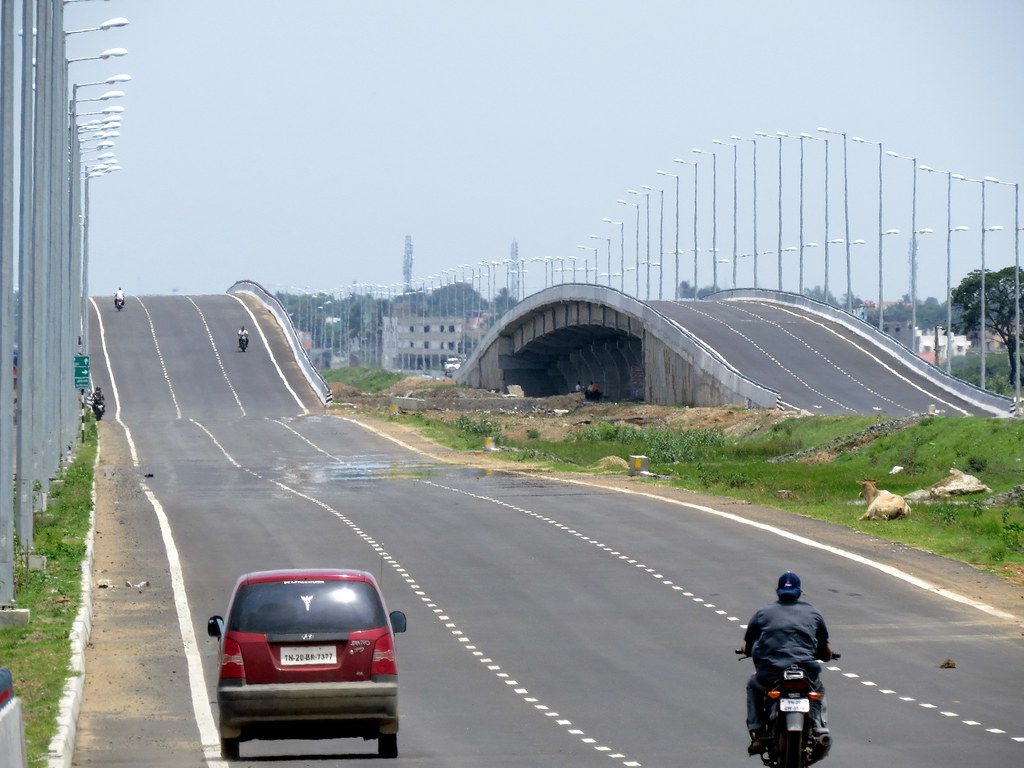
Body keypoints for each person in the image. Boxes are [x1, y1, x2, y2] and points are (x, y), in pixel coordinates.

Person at [741, 571, 833, 756]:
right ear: (800, 592)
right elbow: (824, 650)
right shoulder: (814, 613)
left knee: (753, 685)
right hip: (806, 671)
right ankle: (819, 727)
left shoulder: (762, 613)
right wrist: (826, 655)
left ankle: (758, 733)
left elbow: (748, 645)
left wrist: (748, 650)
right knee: (818, 689)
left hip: (772, 673)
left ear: (778, 592)